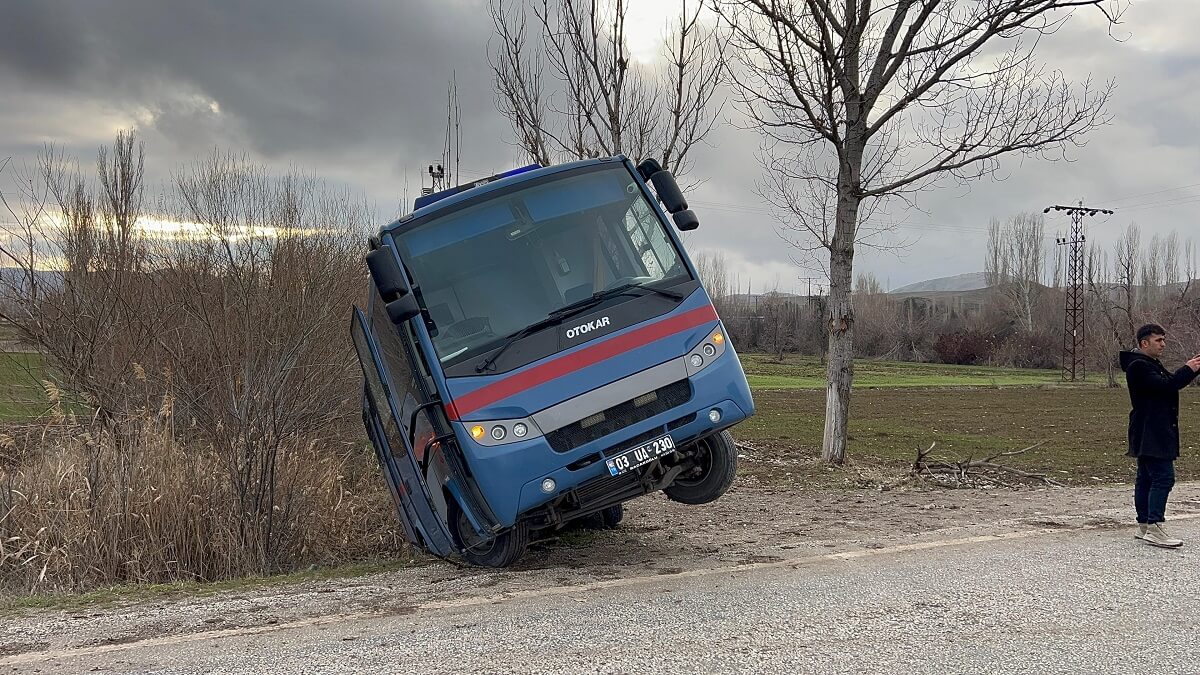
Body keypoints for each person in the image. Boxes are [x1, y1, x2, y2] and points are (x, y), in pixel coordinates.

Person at [1118, 323, 1200, 548]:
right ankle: (1154, 525)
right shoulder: (1139, 366)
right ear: (1144, 343)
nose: (1163, 344)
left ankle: (1144, 525)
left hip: (1152, 429)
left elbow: (1169, 384)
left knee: (1146, 477)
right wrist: (1188, 369)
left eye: (1163, 340)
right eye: (1158, 340)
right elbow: (1167, 386)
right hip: (1151, 431)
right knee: (1163, 477)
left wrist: (1192, 368)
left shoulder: (1148, 364)